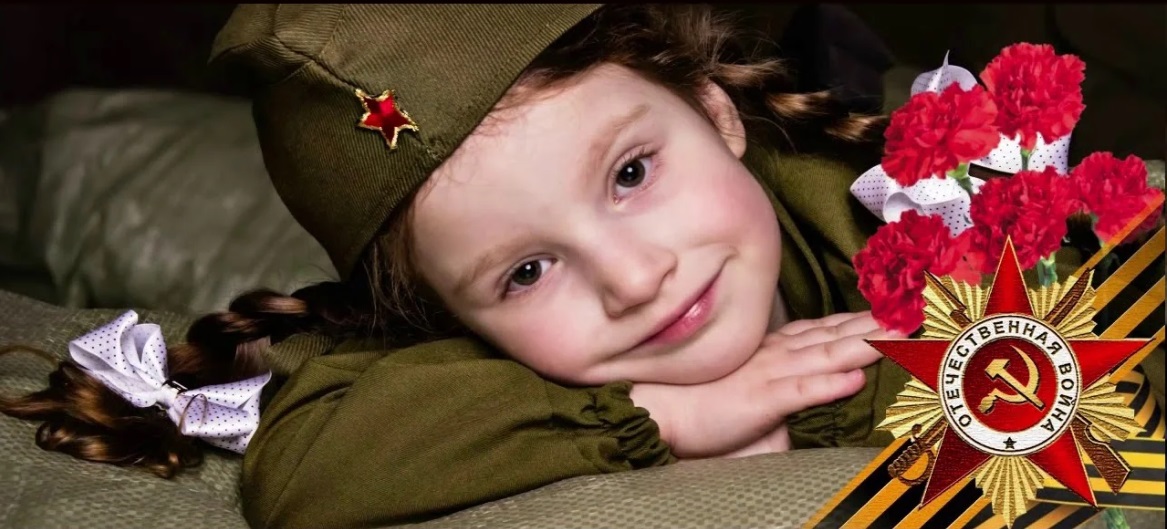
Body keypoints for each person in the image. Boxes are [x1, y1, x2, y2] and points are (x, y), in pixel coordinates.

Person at [1, 4, 1161, 529]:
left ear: (714, 110)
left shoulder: (915, 210)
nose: (634, 276)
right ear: (443, 317)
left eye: (631, 173)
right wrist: (667, 414)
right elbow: (306, 470)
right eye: (523, 272)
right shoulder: (458, 370)